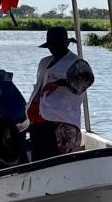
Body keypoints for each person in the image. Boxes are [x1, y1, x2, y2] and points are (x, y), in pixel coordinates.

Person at [28, 27, 94, 160]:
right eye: (51, 46)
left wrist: (60, 83)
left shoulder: (76, 63)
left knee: (59, 161)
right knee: (39, 161)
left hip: (63, 121)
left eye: (56, 46)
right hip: (39, 120)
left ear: (66, 44)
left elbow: (86, 81)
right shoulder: (44, 62)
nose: (53, 49)